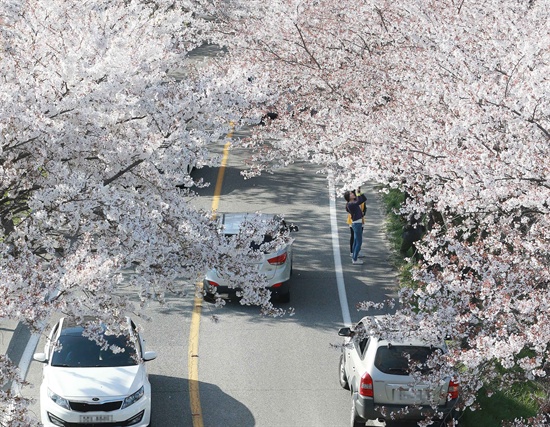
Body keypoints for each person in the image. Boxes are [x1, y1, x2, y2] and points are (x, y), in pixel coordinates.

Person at [344, 188, 367, 264]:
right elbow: (360, 201)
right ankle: (355, 259)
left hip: (357, 223)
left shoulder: (352, 203)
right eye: (351, 194)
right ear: (348, 197)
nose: (353, 194)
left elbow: (363, 199)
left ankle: (354, 256)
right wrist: (358, 193)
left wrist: (359, 193)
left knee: (356, 241)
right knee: (358, 242)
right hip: (357, 224)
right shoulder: (351, 204)